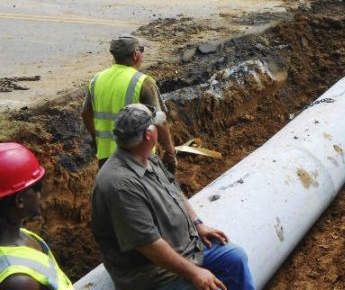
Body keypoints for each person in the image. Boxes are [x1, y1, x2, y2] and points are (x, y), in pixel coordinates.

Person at [91, 103, 254, 290]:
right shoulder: (120, 185)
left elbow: (173, 189)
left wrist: (197, 223)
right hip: (153, 273)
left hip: (187, 249)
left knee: (235, 258)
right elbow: (148, 244)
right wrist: (195, 273)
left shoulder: (146, 157)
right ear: (149, 135)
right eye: (155, 125)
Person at [81, 34, 177, 171]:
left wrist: (96, 138)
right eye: (142, 50)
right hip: (138, 158)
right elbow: (160, 121)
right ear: (135, 55)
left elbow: (86, 114)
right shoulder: (143, 83)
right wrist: (170, 151)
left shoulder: (97, 80)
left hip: (107, 160)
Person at [0, 143, 74, 290]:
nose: (40, 194)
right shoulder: (19, 282)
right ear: (19, 200)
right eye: (37, 187)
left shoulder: (22, 235)